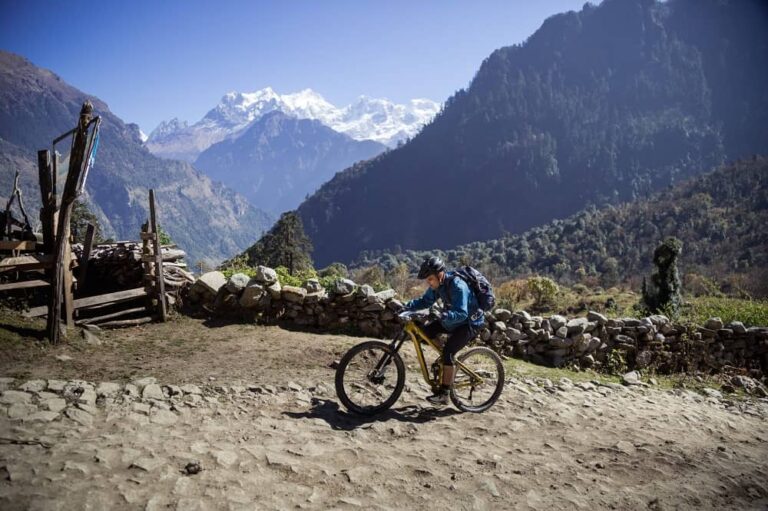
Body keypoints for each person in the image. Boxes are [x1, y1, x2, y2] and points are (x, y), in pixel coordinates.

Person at [402, 256, 484, 406]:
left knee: (449, 353)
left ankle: (445, 394)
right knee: (426, 332)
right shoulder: (438, 286)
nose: (429, 282)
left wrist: (444, 315)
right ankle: (445, 360)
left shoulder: (458, 286)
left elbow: (462, 313)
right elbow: (425, 301)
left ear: (440, 275)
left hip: (470, 323)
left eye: (430, 278)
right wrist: (406, 306)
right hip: (452, 319)